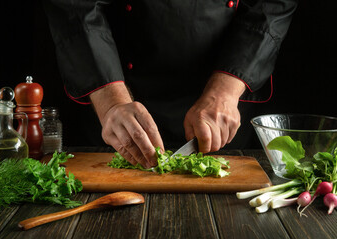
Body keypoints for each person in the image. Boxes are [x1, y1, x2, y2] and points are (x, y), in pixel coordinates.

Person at [43, 0, 298, 168]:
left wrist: (225, 91)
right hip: (116, 87)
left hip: (221, 98)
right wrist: (111, 102)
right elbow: (74, 6)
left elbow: (272, 4)